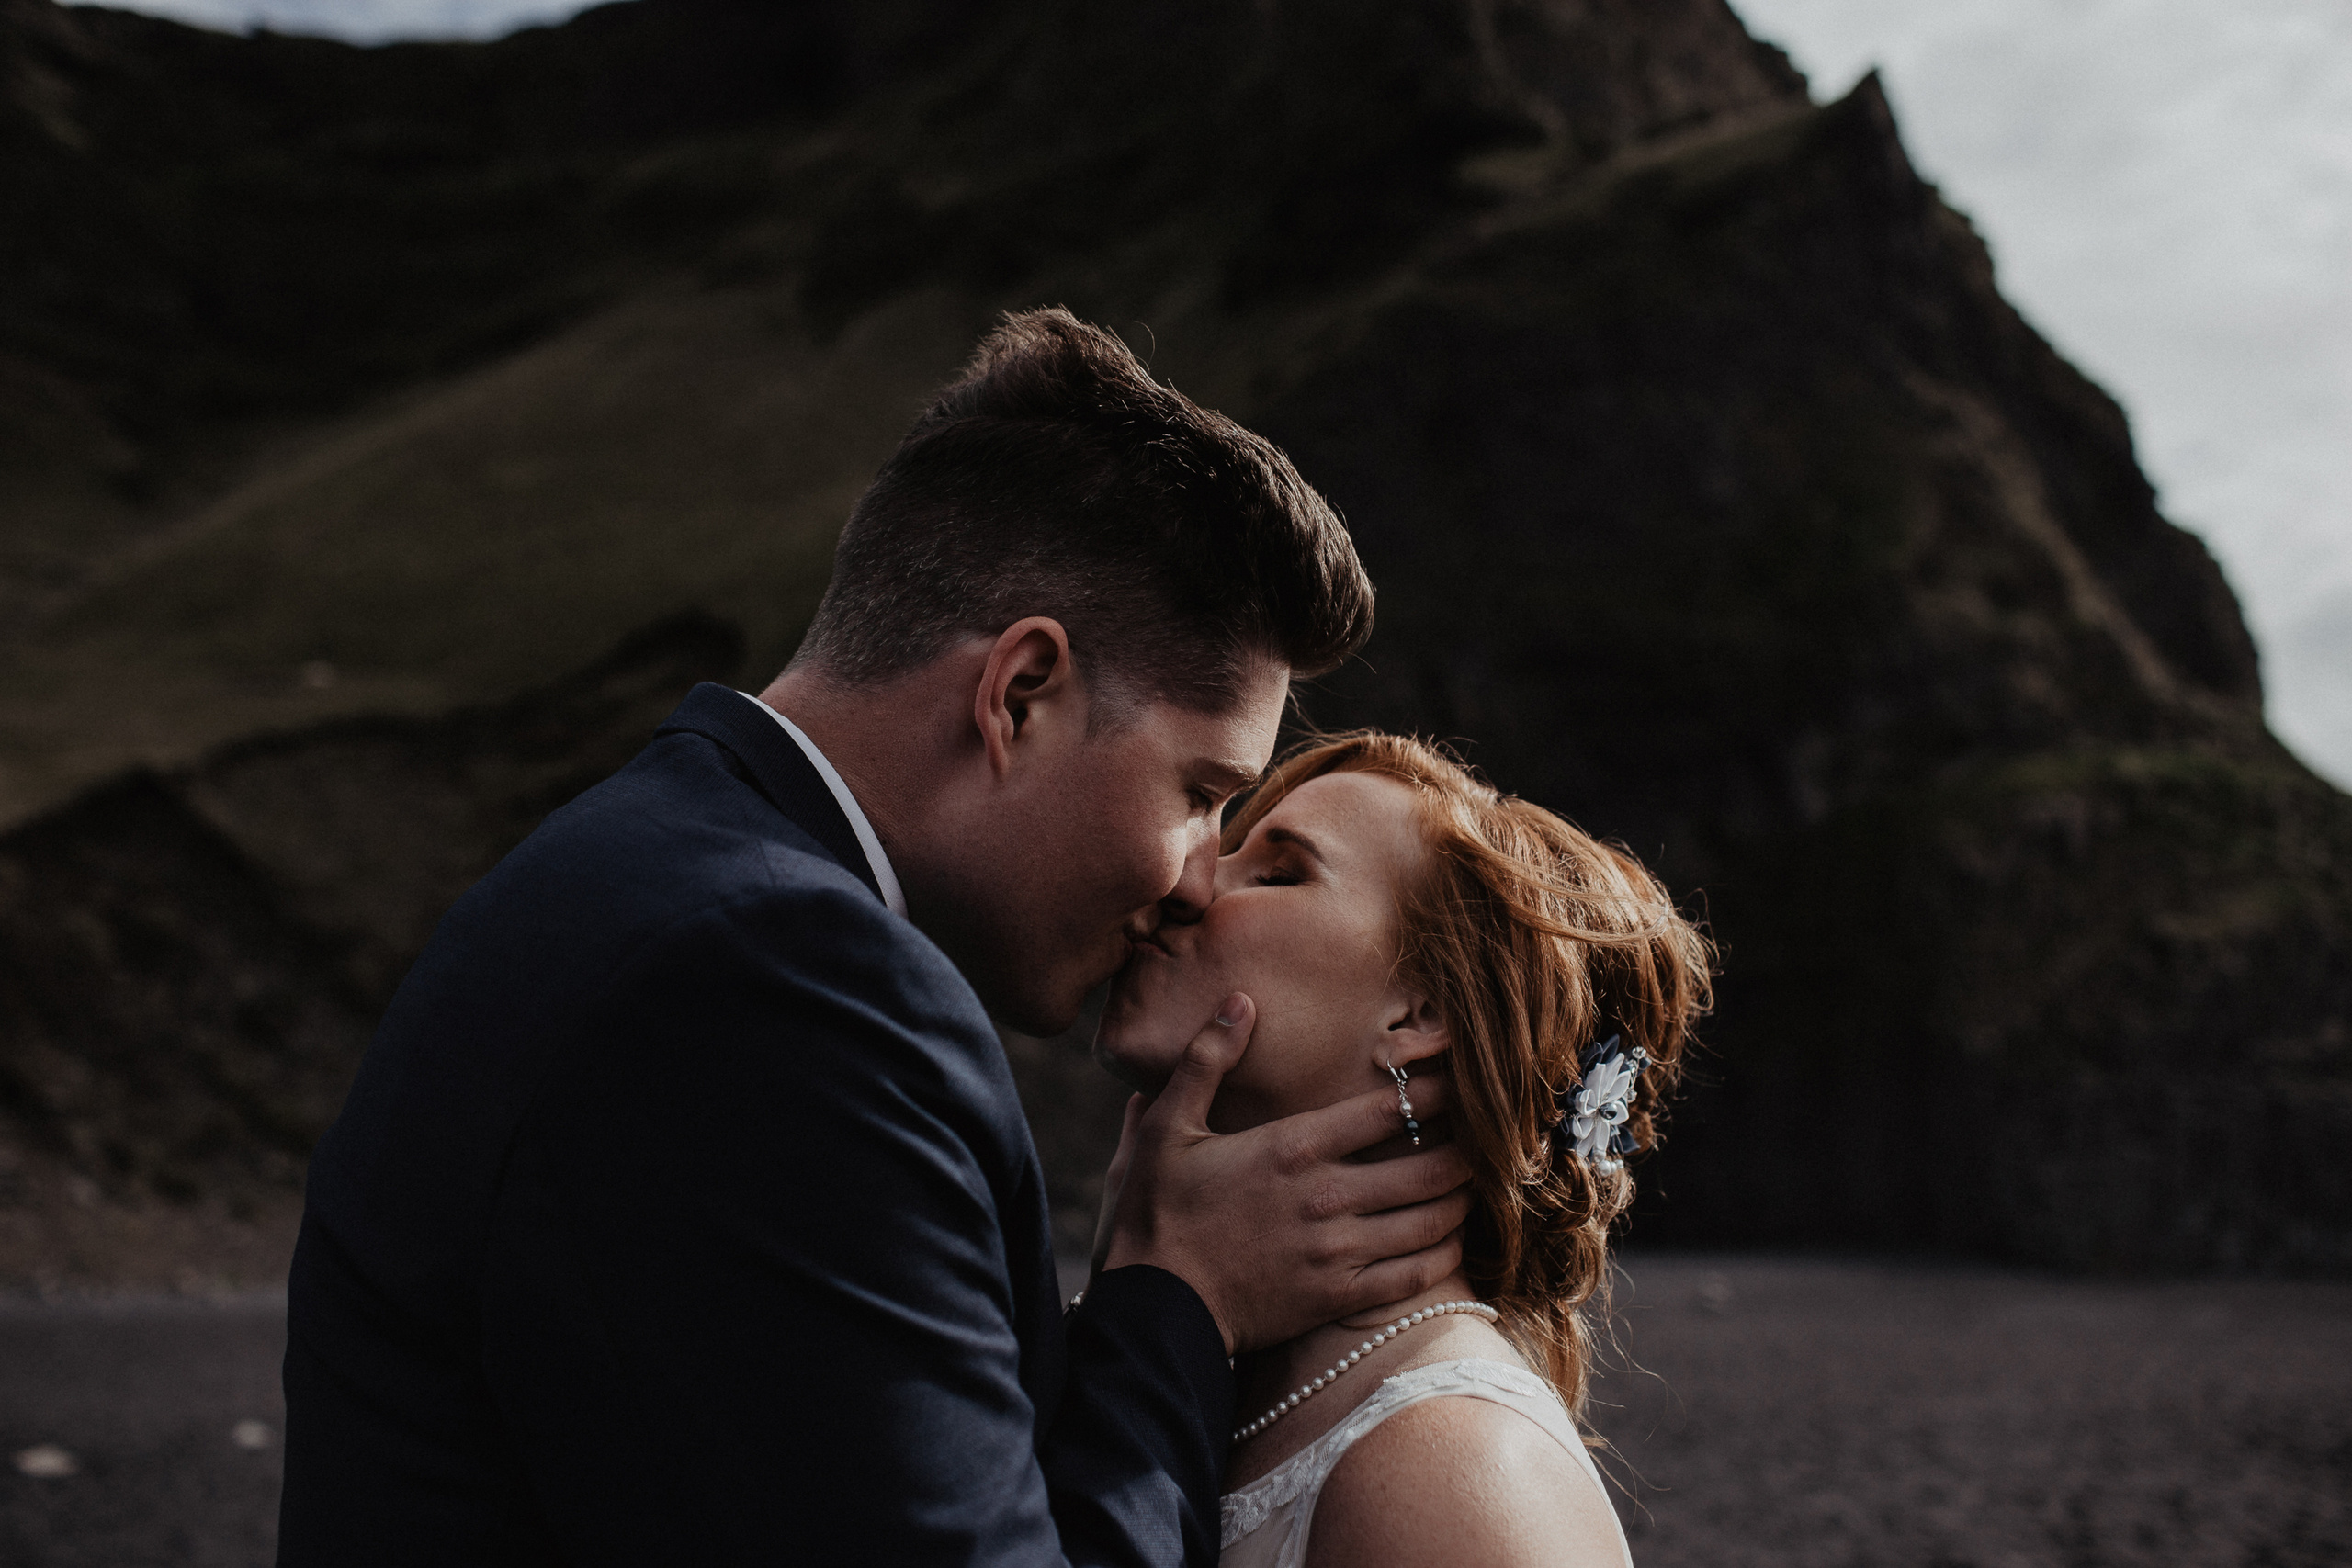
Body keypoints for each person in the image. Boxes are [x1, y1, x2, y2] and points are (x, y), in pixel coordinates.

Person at [277, 309, 1476, 1565]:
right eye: (1198, 791)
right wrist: (1178, 1297)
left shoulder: (641, 871)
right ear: (1021, 693)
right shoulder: (777, 982)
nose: (1196, 878)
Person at [1093, 732, 1713, 1568]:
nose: (1188, 881)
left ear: (1420, 1016)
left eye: (1279, 873)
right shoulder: (1221, 1373)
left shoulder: (1460, 1471)